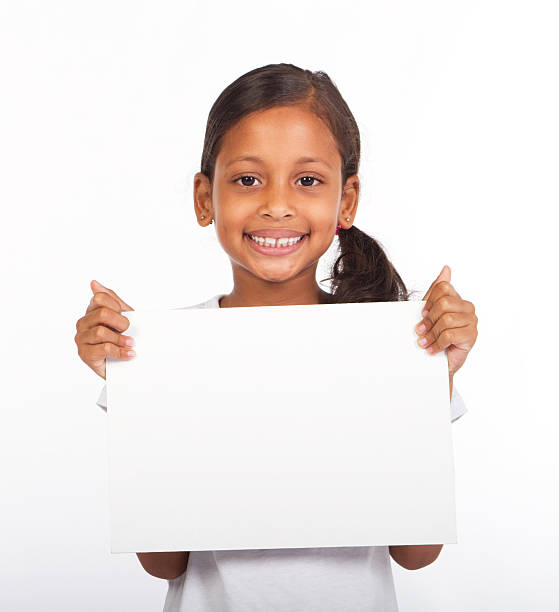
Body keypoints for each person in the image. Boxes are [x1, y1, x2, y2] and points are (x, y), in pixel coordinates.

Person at [75, 63, 478, 612]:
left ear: (347, 200)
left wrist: (431, 378)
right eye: (247, 179)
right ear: (204, 197)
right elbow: (164, 562)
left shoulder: (393, 346)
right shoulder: (165, 350)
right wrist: (137, 390)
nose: (276, 204)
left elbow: (415, 552)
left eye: (307, 180)